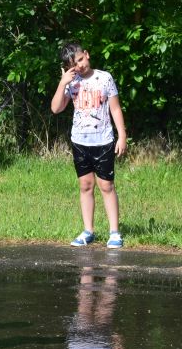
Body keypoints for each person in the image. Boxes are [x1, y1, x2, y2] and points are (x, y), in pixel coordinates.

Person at [50, 41, 127, 248]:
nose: (80, 66)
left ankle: (114, 232)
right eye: (74, 64)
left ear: (87, 54)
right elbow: (56, 108)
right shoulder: (71, 83)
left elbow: (115, 109)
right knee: (85, 185)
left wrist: (122, 135)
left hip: (103, 141)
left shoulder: (104, 78)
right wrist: (62, 83)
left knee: (106, 186)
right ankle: (88, 231)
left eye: (81, 60)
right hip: (80, 142)